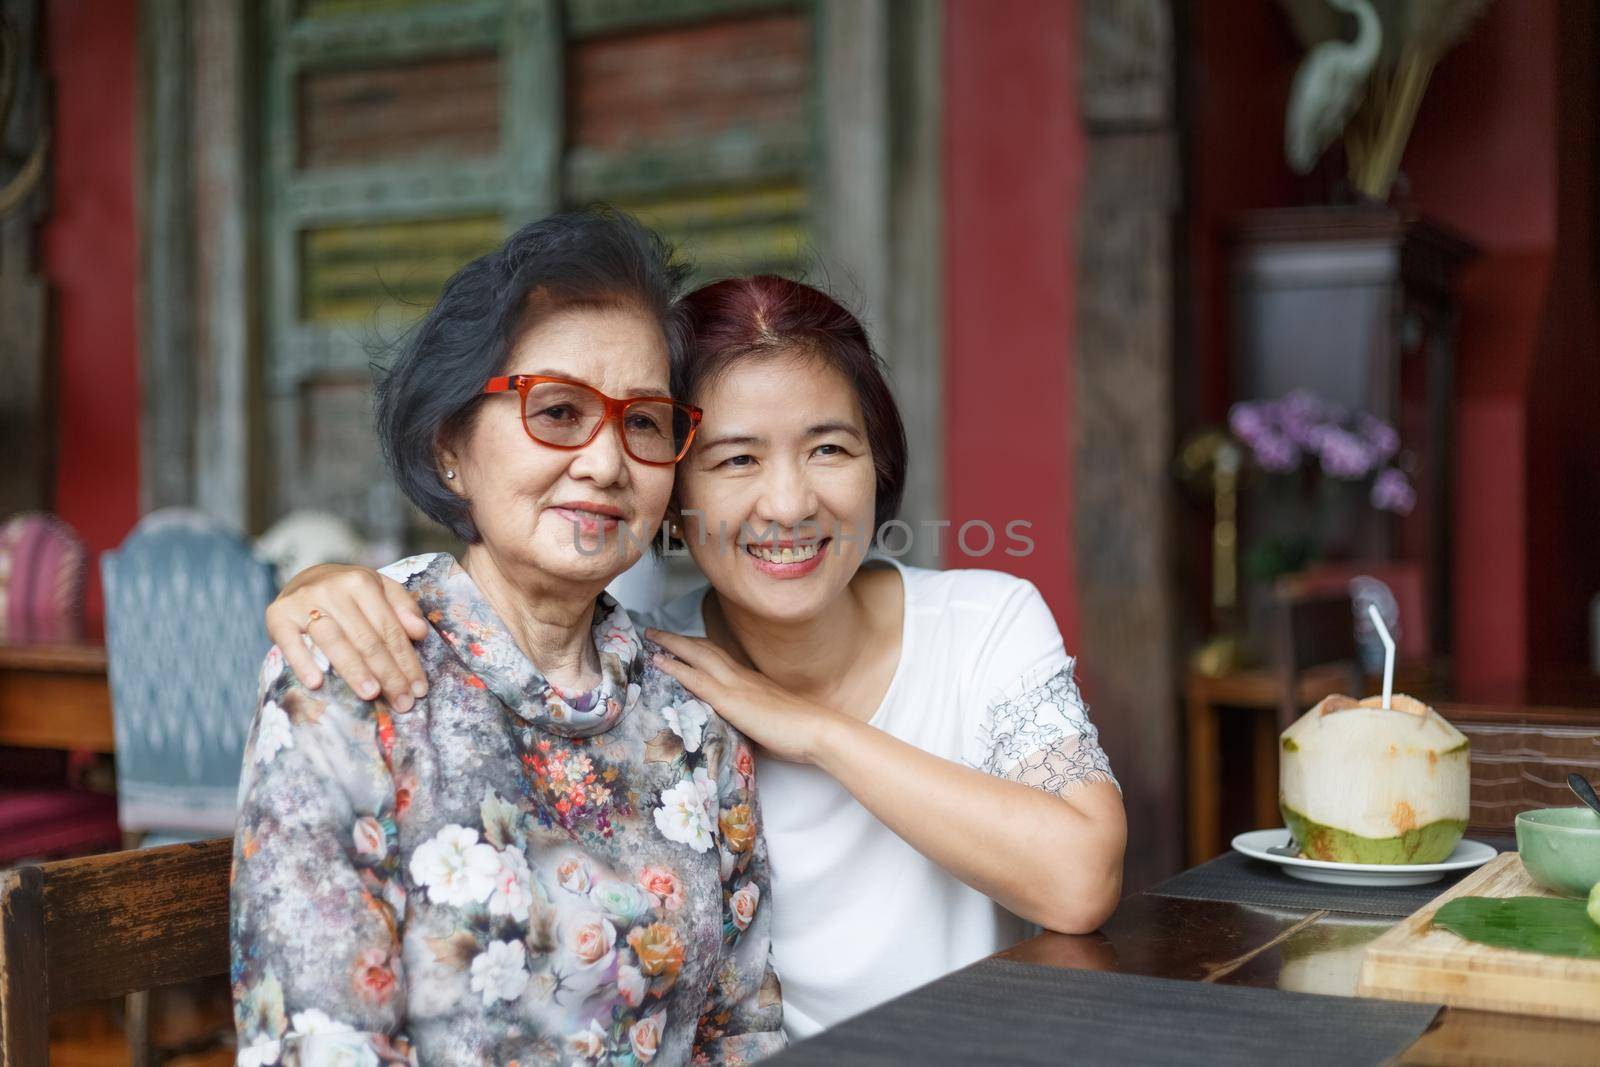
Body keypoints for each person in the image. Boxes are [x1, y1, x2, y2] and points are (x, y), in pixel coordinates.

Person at [267, 273, 1127, 1041]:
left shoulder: (979, 621)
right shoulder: (646, 676)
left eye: (829, 448)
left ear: (879, 463)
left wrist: (814, 731)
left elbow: (1078, 879)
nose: (788, 502)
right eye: (735, 459)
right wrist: (323, 580)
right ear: (672, 490)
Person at [231, 211, 784, 1066]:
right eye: (558, 410)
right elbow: (319, 1044)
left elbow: (740, 1029)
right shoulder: (351, 671)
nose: (606, 462)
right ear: (451, 444)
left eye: (643, 422)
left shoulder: (692, 717)